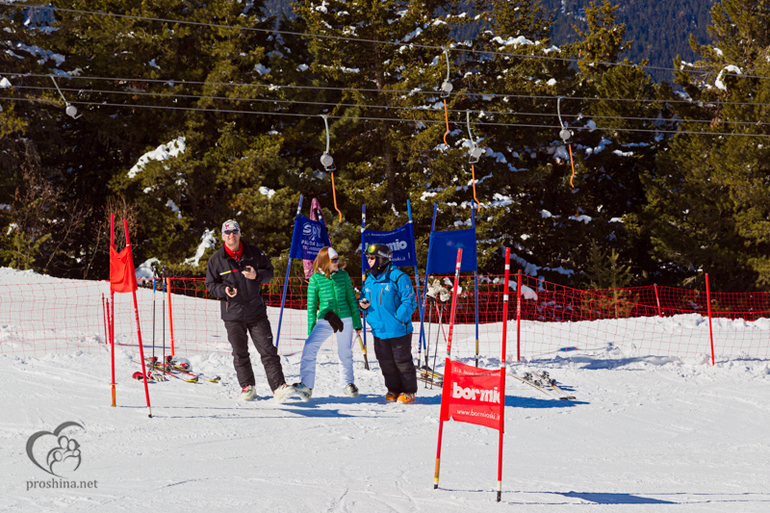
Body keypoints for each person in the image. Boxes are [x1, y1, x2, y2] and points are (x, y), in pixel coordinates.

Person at [205, 219, 294, 403]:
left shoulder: (254, 253)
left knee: (268, 350)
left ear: (239, 233)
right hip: (233, 314)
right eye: (228, 232)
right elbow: (211, 285)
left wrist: (257, 276)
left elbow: (270, 273)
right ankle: (247, 386)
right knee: (240, 353)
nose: (231, 235)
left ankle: (278, 386)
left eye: (234, 231)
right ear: (223, 236)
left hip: (256, 311)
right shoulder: (216, 259)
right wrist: (224, 291)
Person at [293, 247, 363, 400]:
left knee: (345, 352)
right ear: (325, 261)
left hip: (345, 318)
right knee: (310, 345)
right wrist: (311, 328)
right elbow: (311, 306)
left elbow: (352, 299)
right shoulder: (315, 279)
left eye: (338, 259)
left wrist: (357, 323)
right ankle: (306, 384)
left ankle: (348, 383)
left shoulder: (343, 275)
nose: (337, 263)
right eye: (334, 260)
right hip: (326, 319)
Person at [359, 243, 418, 403]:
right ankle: (393, 389)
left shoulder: (399, 277)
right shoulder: (369, 280)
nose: (369, 261)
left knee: (402, 362)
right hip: (378, 330)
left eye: (372, 258)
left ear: (382, 259)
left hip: (398, 329)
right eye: (368, 258)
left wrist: (399, 319)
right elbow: (363, 297)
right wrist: (362, 304)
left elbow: (409, 301)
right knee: (386, 363)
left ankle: (409, 391)